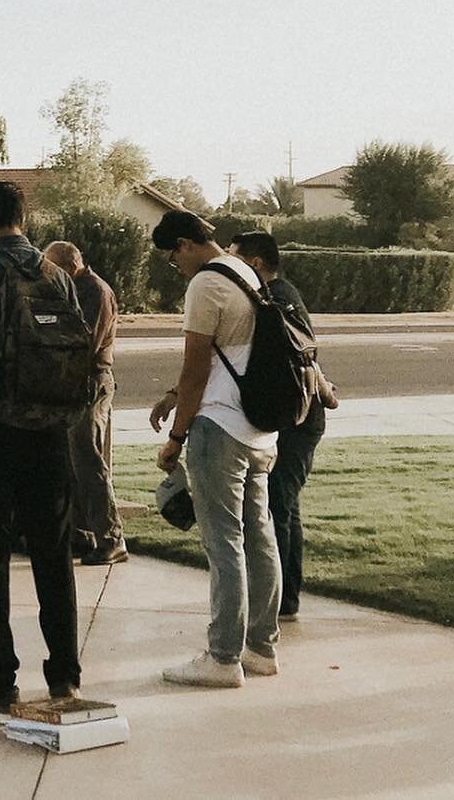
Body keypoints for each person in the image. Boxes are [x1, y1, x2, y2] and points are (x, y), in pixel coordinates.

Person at [0, 181, 82, 721]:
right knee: (54, 554)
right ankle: (65, 676)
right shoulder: (57, 275)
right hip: (50, 430)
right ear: (25, 218)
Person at [149, 210, 280, 688]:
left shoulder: (206, 284)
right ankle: (261, 648)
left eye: (172, 257)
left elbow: (195, 371)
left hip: (220, 425)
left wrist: (176, 437)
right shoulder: (245, 271)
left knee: (223, 542)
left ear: (185, 244)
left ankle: (222, 657)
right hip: (261, 429)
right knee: (259, 536)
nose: (175, 266)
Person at [229, 231, 337, 622]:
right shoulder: (279, 296)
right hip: (297, 414)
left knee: (278, 504)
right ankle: (285, 593)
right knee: (283, 505)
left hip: (299, 418)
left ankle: (283, 597)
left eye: (235, 258)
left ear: (255, 264)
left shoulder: (276, 300)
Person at [42, 240, 126, 567]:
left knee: (88, 461)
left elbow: (83, 341)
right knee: (70, 462)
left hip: (90, 381)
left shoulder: (94, 292)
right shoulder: (72, 289)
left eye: (51, 269)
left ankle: (111, 537)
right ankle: (80, 533)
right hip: (71, 381)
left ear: (68, 266)